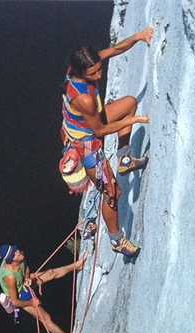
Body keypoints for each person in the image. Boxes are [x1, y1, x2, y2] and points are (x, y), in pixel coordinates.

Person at [61, 27, 154, 258]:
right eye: (94, 74)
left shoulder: (80, 68)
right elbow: (100, 130)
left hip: (87, 125)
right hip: (86, 143)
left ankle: (124, 158)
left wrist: (138, 37)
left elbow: (115, 49)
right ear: (82, 72)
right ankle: (116, 240)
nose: (99, 76)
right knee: (112, 192)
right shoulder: (84, 98)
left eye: (99, 69)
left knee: (130, 102)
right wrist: (136, 120)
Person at [0, 244, 88, 333]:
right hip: (20, 295)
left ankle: (77, 265)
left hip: (24, 282)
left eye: (16, 250)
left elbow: (25, 267)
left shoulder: (20, 257)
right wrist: (31, 303)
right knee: (46, 318)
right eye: (14, 254)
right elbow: (15, 302)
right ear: (11, 261)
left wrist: (27, 276)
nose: (18, 253)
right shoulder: (10, 277)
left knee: (50, 273)